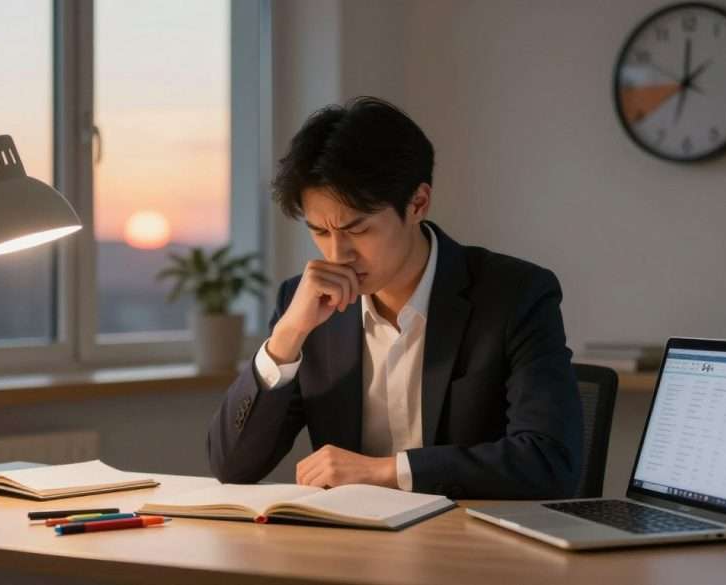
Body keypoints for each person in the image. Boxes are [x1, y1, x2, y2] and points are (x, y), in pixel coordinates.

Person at [207, 97, 582, 499]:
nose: (337, 255)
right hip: (349, 552)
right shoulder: (305, 305)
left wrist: (387, 471)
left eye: (358, 229)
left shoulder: (515, 295)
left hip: (470, 548)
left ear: (418, 203)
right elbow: (233, 466)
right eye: (319, 231)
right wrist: (286, 337)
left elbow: (550, 462)